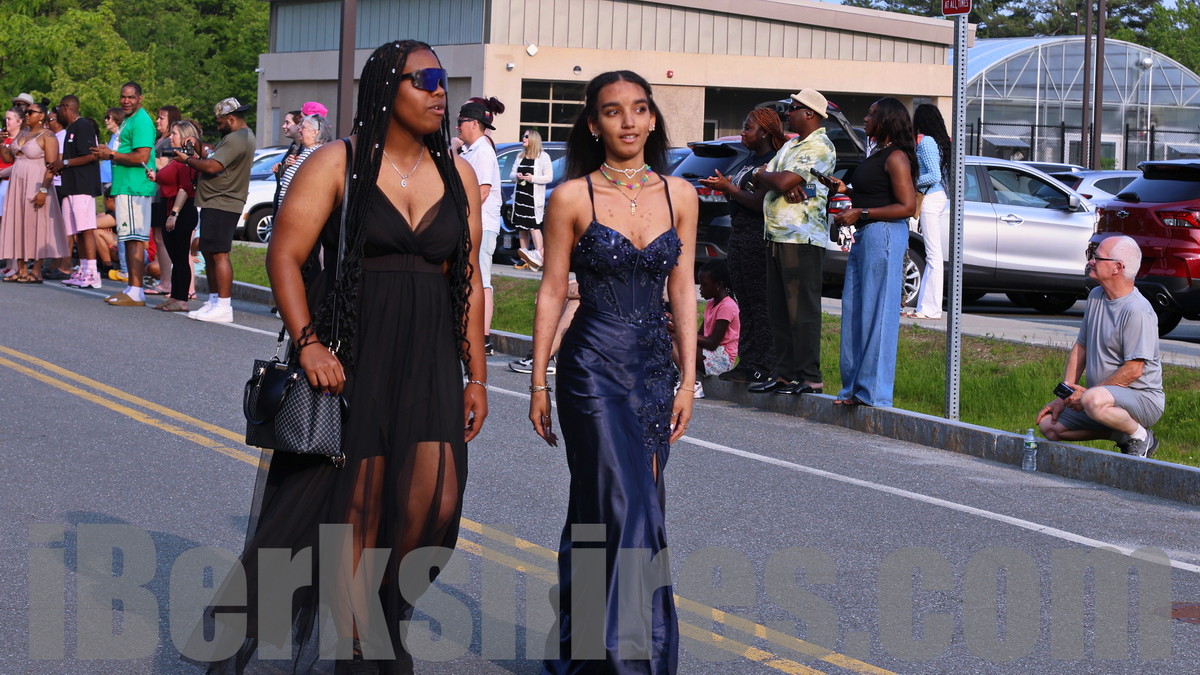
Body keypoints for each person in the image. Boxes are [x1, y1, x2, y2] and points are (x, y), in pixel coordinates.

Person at [188, 40, 487, 672]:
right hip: (354, 351)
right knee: (357, 503)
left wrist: (477, 375)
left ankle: (380, 609)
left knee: (434, 505)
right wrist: (309, 343)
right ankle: (361, 644)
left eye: (442, 79)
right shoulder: (336, 162)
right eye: (424, 79)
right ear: (386, 88)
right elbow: (284, 256)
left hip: (430, 355)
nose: (439, 90)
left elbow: (468, 279)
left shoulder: (458, 174)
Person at [529, 70, 698, 674]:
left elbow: (683, 290)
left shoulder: (681, 196)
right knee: (626, 508)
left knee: (610, 510)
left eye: (639, 108)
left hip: (653, 371)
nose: (628, 120)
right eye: (612, 110)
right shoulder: (571, 197)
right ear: (594, 124)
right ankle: (630, 661)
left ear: (652, 119)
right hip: (592, 369)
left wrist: (687, 379)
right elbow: (553, 291)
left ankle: (586, 651)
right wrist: (538, 380)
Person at [822, 97, 917, 407]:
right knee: (855, 311)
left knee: (878, 314)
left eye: (872, 114)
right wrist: (845, 190)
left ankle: (873, 393)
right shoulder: (877, 154)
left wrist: (860, 213)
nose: (865, 118)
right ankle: (852, 388)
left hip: (884, 234)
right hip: (866, 234)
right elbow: (875, 193)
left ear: (886, 120)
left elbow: (907, 206)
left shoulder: (896, 157)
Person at [1037, 236, 1165, 457]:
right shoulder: (1096, 296)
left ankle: (1141, 437)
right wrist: (1063, 397)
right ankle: (1123, 435)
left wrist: (1088, 395)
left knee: (1092, 400)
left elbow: (1134, 370)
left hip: (1143, 400)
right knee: (1049, 425)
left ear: (1118, 267)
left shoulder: (1137, 311)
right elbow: (1081, 348)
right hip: (1100, 399)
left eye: (1097, 258)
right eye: (1091, 256)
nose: (1091, 262)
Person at [749, 88, 836, 396]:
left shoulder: (820, 147)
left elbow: (782, 180)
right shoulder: (791, 145)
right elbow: (762, 175)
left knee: (802, 311)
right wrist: (769, 176)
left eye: (793, 108)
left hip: (801, 237)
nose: (787, 113)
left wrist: (778, 180)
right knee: (779, 310)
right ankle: (785, 374)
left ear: (810, 113)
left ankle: (810, 377)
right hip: (776, 234)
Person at [698, 107, 784, 384]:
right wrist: (724, 189)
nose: (743, 132)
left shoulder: (772, 163)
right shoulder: (750, 160)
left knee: (760, 303)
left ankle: (764, 365)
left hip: (758, 236)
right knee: (743, 301)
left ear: (765, 133)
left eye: (748, 128)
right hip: (739, 233)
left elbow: (760, 203)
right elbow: (738, 197)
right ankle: (747, 361)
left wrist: (729, 188)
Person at [172, 96, 256, 323]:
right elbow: (212, 156)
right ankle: (214, 300)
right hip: (215, 201)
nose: (218, 126)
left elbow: (212, 165)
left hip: (224, 201)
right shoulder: (235, 137)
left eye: (219, 122)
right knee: (209, 252)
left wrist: (187, 160)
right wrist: (199, 146)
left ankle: (224, 305)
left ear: (230, 118)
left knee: (219, 253)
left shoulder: (238, 138)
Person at [90, 82, 156, 305]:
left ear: (140, 99)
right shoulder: (129, 120)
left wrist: (111, 155)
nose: (126, 101)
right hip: (125, 186)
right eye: (123, 97)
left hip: (135, 187)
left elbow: (142, 157)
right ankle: (131, 288)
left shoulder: (142, 121)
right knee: (127, 239)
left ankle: (137, 291)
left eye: (131, 97)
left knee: (134, 239)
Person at [456, 96, 504, 353]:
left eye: (461, 121)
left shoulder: (483, 151)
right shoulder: (470, 150)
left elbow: (482, 192)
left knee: (482, 279)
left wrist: (460, 215)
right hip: (472, 223)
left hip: (482, 224)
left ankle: (483, 337)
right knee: (470, 277)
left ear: (474, 124)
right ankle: (470, 331)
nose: (457, 127)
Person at [0, 102, 66, 283]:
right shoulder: (22, 133)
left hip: (37, 183)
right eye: (26, 112)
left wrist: (43, 189)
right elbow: (9, 157)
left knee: (37, 225)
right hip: (17, 184)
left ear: (41, 115)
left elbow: (51, 166)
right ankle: (21, 269)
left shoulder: (48, 136)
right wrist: (2, 144)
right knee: (18, 223)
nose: (27, 115)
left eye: (31, 112)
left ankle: (36, 270)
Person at [145, 120, 201, 312]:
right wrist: (156, 177)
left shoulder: (187, 160)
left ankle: (182, 299)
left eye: (174, 134)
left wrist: (174, 214)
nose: (171, 137)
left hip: (182, 210)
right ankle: (175, 296)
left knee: (181, 257)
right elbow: (169, 180)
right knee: (175, 257)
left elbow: (185, 188)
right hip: (167, 206)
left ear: (185, 136)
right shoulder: (175, 158)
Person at [51, 95, 104, 289]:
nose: (58, 113)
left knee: (86, 228)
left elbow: (91, 155)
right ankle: (83, 269)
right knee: (76, 231)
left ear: (66, 107)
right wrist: (61, 166)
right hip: (70, 186)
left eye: (60, 109)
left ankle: (92, 272)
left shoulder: (83, 126)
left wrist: (64, 162)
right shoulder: (70, 128)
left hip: (83, 185)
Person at [907, 103, 950, 320]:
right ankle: (925, 307)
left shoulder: (926, 142)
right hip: (935, 197)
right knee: (933, 255)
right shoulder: (936, 142)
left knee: (933, 255)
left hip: (931, 198)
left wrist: (909, 183)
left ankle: (930, 309)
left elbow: (933, 175)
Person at [692, 258, 739, 398]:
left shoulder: (727, 306)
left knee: (682, 342)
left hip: (722, 359)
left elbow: (712, 343)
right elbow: (700, 335)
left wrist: (681, 332)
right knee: (675, 340)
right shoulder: (710, 303)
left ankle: (691, 384)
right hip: (710, 353)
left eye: (704, 285)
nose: (700, 289)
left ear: (718, 285)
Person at [511, 128, 553, 270]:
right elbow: (511, 175)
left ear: (534, 139)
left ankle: (539, 256)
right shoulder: (520, 156)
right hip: (520, 196)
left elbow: (549, 177)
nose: (523, 138)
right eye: (523, 136)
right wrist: (517, 176)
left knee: (534, 226)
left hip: (533, 197)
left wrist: (532, 178)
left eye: (526, 136)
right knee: (521, 227)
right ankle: (524, 258)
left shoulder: (543, 157)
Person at [276, 114, 332, 204]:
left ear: (315, 133)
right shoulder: (308, 152)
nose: (299, 130)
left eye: (303, 127)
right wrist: (286, 167)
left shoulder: (317, 154)